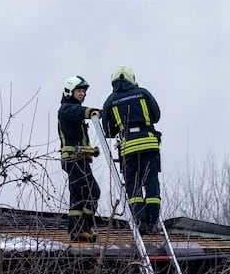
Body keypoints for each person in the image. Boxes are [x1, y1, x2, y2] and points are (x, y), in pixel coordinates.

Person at [100, 65, 162, 229]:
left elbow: (107, 130)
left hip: (128, 148)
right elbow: (156, 116)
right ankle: (153, 219)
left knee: (132, 183)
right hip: (149, 143)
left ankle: (141, 221)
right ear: (131, 79)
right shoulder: (143, 93)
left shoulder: (110, 101)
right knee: (151, 179)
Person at [57, 75, 101, 242]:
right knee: (90, 192)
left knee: (78, 194)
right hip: (73, 159)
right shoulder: (66, 108)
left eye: (83, 91)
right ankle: (83, 228)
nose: (82, 94)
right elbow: (79, 112)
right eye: (79, 91)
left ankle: (78, 231)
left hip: (78, 159)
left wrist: (90, 151)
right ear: (70, 91)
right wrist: (94, 113)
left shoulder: (71, 110)